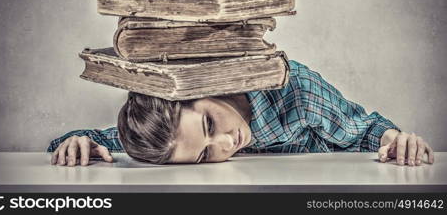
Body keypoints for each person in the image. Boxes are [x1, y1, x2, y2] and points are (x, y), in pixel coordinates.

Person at [47, 59, 435, 167]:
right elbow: (106, 139)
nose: (225, 144)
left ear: (201, 89)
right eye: (203, 155)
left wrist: (394, 140)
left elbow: (362, 130)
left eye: (210, 124)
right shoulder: (170, 138)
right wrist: (77, 143)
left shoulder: (293, 89)